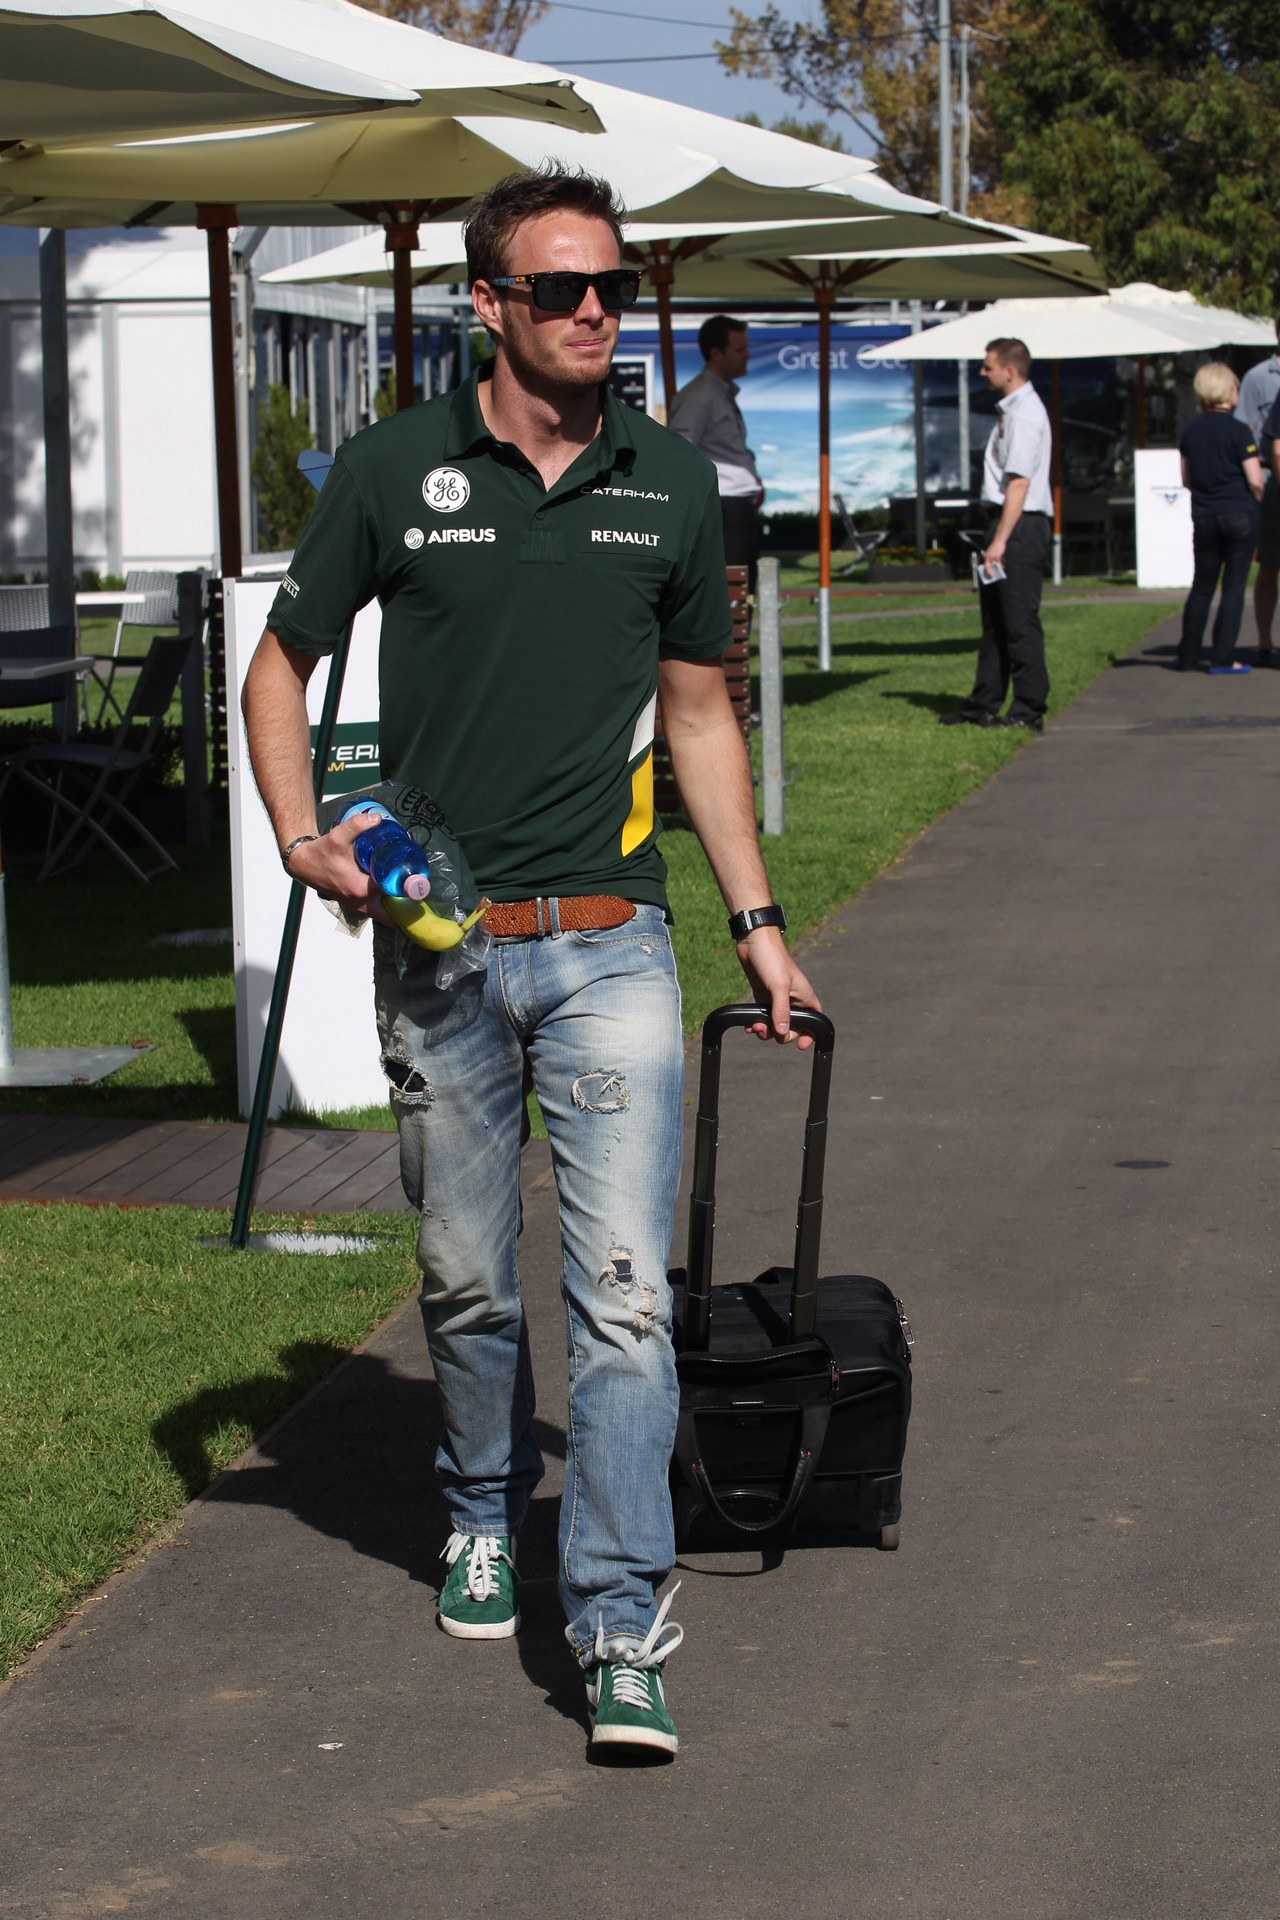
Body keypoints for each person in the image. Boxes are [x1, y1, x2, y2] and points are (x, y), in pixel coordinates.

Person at [241, 168, 819, 1761]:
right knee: (469, 1275)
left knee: (625, 1305)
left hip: (611, 944)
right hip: (440, 945)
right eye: (560, 289)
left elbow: (700, 715)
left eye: (611, 289)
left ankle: (622, 1623)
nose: (593, 314)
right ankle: (481, 1504)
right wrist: (307, 841)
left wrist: (761, 925)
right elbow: (277, 667)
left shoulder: (669, 485)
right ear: (485, 306)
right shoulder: (392, 469)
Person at [939, 337, 1053, 733]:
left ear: (1010, 370)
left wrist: (1001, 540)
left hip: (1019, 523)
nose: (982, 372)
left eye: (987, 366)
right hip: (1009, 520)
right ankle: (983, 702)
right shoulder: (1013, 411)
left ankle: (1028, 708)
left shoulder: (1024, 416)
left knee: (1019, 621)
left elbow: (1019, 483)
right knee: (996, 620)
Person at [1177, 362, 1264, 673]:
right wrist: (1260, 501)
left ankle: (1187, 655)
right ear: (1229, 391)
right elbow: (1254, 478)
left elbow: (1186, 478)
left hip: (1204, 516)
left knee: (1202, 586)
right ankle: (1223, 657)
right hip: (1239, 513)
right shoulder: (1241, 431)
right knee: (1233, 586)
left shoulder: (1190, 430)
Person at [667, 314, 765, 586]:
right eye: (739, 349)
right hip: (724, 509)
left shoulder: (719, 392)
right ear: (716, 353)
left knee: (743, 593)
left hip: (737, 507)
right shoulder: (699, 397)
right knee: (731, 595)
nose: (747, 355)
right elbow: (680, 454)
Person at [1234, 322, 1280, 666]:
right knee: (1269, 564)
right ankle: (1264, 642)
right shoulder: (1258, 378)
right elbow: (1245, 432)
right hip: (1270, 479)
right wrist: (1255, 481)